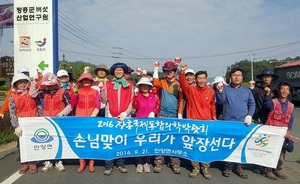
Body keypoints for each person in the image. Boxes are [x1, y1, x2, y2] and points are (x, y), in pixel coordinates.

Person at [215, 67, 256, 179]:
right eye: (234, 75)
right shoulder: (226, 89)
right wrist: (219, 91)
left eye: (239, 75)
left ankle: (240, 166)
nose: (236, 77)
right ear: (230, 77)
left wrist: (249, 115)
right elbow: (220, 101)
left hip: (243, 123)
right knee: (229, 145)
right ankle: (228, 166)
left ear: (242, 77)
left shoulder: (247, 91)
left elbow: (252, 104)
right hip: (228, 122)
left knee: (242, 145)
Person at [30, 73, 73, 172]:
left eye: (51, 84)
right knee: (47, 140)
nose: (49, 86)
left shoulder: (63, 92)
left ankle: (59, 161)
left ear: (56, 83)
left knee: (59, 140)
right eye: (48, 85)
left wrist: (62, 113)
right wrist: (34, 82)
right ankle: (48, 161)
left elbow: (69, 105)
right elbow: (32, 94)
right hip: (47, 120)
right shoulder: (44, 92)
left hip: (59, 120)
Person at [179, 64, 216, 180]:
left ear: (206, 79)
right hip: (193, 123)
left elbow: (212, 105)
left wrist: (214, 115)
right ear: (195, 79)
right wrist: (182, 71)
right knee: (194, 145)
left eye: (203, 78)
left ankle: (205, 167)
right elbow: (183, 83)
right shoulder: (191, 90)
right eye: (199, 78)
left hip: (206, 123)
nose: (201, 80)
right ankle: (195, 167)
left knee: (205, 146)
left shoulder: (211, 91)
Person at [100, 62, 134, 175]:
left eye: (121, 70)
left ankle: (120, 164)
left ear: (124, 72)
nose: (118, 72)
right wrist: (103, 91)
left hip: (124, 116)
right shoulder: (108, 83)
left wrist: (126, 112)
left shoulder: (129, 84)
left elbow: (132, 101)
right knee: (110, 140)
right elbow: (103, 100)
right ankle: (109, 165)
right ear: (113, 72)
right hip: (110, 115)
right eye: (116, 70)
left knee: (122, 140)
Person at [152, 61, 183, 174]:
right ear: (164, 72)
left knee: (174, 140)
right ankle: (158, 162)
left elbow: (181, 99)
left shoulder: (178, 84)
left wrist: (179, 113)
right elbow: (155, 83)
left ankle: (175, 163)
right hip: (161, 114)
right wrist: (155, 69)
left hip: (174, 115)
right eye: (166, 71)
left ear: (174, 71)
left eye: (171, 71)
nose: (169, 73)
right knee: (160, 139)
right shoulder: (162, 82)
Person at [9, 73, 43, 174]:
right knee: (22, 144)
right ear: (15, 84)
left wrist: (41, 119)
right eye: (20, 83)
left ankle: (32, 163)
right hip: (21, 124)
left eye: (24, 82)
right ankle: (24, 163)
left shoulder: (31, 93)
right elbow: (12, 112)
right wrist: (16, 126)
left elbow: (39, 106)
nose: (22, 84)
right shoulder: (13, 96)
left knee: (33, 142)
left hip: (34, 121)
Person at [263, 81, 294, 180]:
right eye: (282, 89)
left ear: (289, 92)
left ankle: (277, 169)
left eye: (286, 89)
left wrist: (288, 131)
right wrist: (267, 94)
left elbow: (291, 119)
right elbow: (266, 105)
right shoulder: (273, 102)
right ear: (279, 90)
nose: (284, 91)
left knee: (281, 153)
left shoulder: (291, 106)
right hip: (272, 132)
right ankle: (268, 170)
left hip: (283, 134)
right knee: (270, 152)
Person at [250, 69, 279, 174]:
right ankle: (256, 165)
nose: (267, 78)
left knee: (270, 143)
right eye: (265, 76)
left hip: (272, 119)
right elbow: (251, 102)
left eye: (269, 76)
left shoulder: (275, 90)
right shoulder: (256, 88)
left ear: (272, 78)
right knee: (258, 142)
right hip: (259, 118)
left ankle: (269, 165)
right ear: (262, 78)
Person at [131, 77, 160, 173]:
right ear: (139, 86)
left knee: (148, 143)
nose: (144, 87)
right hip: (139, 123)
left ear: (149, 87)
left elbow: (157, 106)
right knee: (139, 143)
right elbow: (133, 108)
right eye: (142, 85)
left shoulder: (154, 96)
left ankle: (147, 162)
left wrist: (154, 112)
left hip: (151, 123)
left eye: (146, 85)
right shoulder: (137, 96)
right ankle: (139, 162)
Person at [73, 72, 100, 173]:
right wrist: (75, 94)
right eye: (84, 80)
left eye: (88, 79)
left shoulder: (95, 91)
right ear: (81, 81)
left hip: (92, 119)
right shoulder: (78, 91)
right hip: (80, 119)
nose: (86, 81)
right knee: (81, 140)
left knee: (91, 140)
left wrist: (93, 116)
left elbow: (97, 105)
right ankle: (82, 162)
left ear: (91, 81)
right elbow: (73, 104)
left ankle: (91, 163)